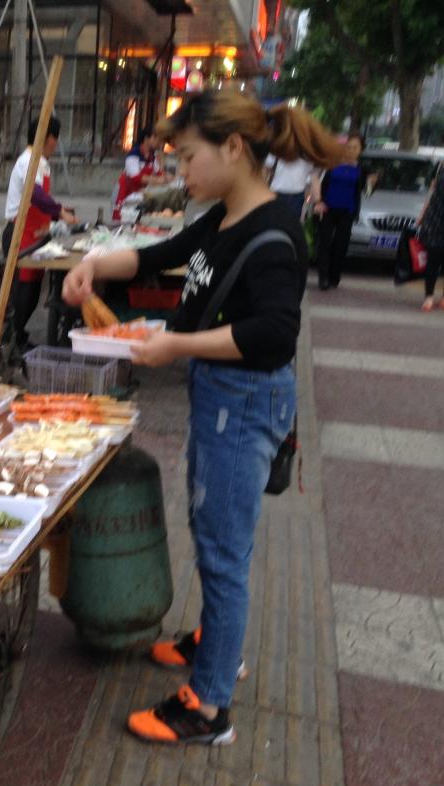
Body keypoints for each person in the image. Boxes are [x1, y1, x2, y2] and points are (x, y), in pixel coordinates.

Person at [63, 90, 344, 746]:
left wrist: (177, 345)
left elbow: (274, 333)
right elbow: (159, 255)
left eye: (188, 157)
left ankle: (210, 706)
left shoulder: (273, 234)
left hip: (243, 402)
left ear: (234, 148)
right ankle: (214, 641)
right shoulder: (224, 216)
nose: (180, 171)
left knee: (221, 552)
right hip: (220, 397)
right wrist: (91, 265)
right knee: (209, 525)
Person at [3, 115, 78, 348]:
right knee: (23, 293)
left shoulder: (41, 163)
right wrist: (59, 211)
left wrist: (57, 212)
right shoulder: (28, 160)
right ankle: (11, 341)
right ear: (49, 138)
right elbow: (34, 194)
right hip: (20, 234)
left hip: (35, 233)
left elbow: (42, 200)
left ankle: (18, 337)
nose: (56, 144)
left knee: (33, 291)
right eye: (56, 138)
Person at [313, 134, 366, 290]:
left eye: (355, 147)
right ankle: (323, 278)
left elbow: (366, 190)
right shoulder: (331, 164)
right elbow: (319, 182)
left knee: (341, 244)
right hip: (327, 209)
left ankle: (334, 276)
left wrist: (372, 183)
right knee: (324, 243)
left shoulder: (362, 169)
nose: (351, 150)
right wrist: (318, 201)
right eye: (349, 147)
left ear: (361, 150)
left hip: (347, 211)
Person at [113, 130, 169, 221]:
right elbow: (135, 176)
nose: (157, 141)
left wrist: (169, 177)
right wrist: (157, 180)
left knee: (138, 220)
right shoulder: (134, 154)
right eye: (155, 138)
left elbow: (159, 172)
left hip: (139, 193)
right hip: (125, 192)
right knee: (123, 219)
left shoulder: (152, 156)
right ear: (146, 139)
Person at [416, 162, 444, 311]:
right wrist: (422, 213)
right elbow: (432, 191)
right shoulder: (440, 166)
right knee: (432, 259)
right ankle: (429, 297)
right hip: (435, 218)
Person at [266, 154, 315, 219]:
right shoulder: (276, 150)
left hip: (297, 195)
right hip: (277, 192)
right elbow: (267, 170)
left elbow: (310, 175)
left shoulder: (308, 153)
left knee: (289, 221)